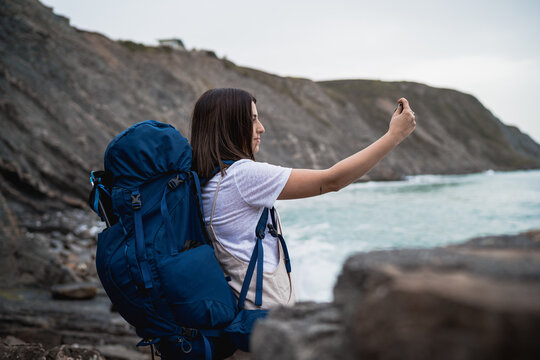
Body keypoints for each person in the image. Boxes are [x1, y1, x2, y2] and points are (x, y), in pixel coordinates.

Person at [190, 88, 416, 309]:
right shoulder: (242, 176)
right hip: (260, 316)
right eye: (252, 120)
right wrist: (394, 136)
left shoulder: (208, 178)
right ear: (231, 126)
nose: (261, 128)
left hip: (238, 312)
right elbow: (332, 180)